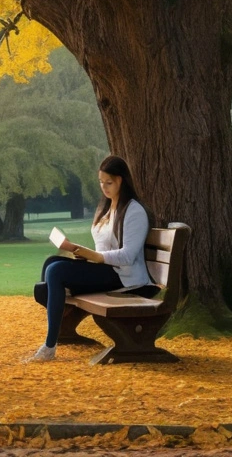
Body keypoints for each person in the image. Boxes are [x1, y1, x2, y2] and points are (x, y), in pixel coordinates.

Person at [24, 155, 153, 362]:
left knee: (55, 272)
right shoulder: (108, 208)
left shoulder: (134, 211)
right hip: (106, 269)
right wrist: (81, 253)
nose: (104, 187)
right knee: (51, 262)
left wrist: (94, 256)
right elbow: (103, 247)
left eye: (108, 182)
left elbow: (128, 256)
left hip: (124, 277)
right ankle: (59, 307)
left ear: (120, 180)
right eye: (101, 182)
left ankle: (49, 346)